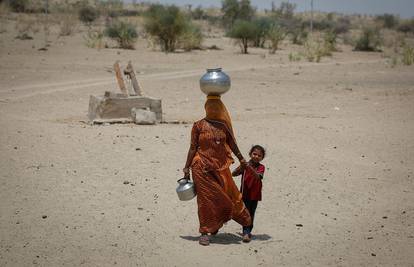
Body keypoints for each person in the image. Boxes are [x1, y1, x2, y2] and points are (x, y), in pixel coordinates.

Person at [183, 95, 252, 246]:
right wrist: (186, 167)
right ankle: (205, 231)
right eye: (210, 106)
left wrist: (241, 159)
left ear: (221, 108)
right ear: (206, 108)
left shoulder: (223, 126)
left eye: (216, 106)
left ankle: (246, 227)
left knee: (231, 196)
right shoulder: (198, 125)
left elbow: (233, 144)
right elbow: (193, 147)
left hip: (221, 167)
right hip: (200, 167)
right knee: (205, 200)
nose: (213, 109)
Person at [232, 145, 266, 243]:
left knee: (251, 213)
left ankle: (248, 231)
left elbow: (257, 177)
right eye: (254, 154)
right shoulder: (245, 165)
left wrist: (248, 167)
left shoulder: (261, 167)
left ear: (262, 158)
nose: (256, 156)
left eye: (259, 155)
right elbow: (233, 174)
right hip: (244, 193)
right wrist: (241, 167)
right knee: (245, 213)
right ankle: (246, 232)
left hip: (255, 195)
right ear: (250, 154)